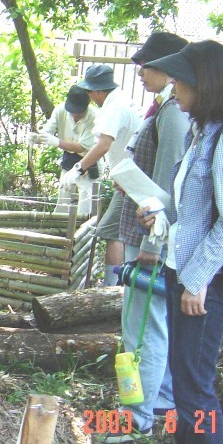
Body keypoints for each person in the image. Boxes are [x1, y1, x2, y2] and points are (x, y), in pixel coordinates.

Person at [129, 41, 223, 444]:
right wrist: (159, 217)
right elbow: (194, 212)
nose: (175, 88)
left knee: (196, 386)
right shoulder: (201, 131)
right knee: (183, 382)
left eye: (181, 80)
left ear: (205, 83)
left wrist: (198, 280)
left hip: (208, 282)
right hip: (182, 270)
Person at [103, 32, 190, 444]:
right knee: (152, 324)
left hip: (151, 236)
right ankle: (162, 404)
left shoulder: (173, 113)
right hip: (146, 230)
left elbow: (169, 185)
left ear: (172, 69)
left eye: (148, 66)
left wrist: (154, 246)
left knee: (141, 329)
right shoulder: (165, 108)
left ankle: (135, 417)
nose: (141, 74)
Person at [60, 64, 141, 286]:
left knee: (111, 230)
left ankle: (111, 288)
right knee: (125, 232)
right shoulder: (121, 100)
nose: (89, 97)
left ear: (97, 91)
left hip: (133, 180)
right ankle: (119, 285)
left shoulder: (115, 107)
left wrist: (78, 169)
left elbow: (104, 144)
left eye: (90, 92)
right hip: (129, 177)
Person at [29, 85, 98, 214]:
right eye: (73, 111)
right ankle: (61, 233)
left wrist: (57, 142)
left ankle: (82, 232)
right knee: (63, 204)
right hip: (69, 162)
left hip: (89, 163)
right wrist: (35, 138)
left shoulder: (94, 116)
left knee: (85, 208)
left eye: (79, 112)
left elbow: (82, 146)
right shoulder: (60, 110)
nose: (75, 115)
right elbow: (46, 134)